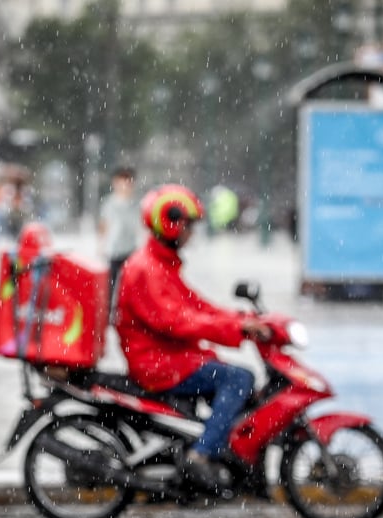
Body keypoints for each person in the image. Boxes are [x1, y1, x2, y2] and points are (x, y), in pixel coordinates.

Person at [114, 183, 271, 491]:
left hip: (170, 357)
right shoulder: (147, 268)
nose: (192, 233)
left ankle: (215, 449)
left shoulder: (160, 264)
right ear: (171, 223)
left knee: (235, 380)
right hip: (159, 363)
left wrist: (242, 319)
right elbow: (177, 321)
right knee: (238, 379)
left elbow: (197, 306)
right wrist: (236, 328)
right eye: (189, 225)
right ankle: (201, 455)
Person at [97, 165, 140, 302]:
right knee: (111, 285)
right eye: (123, 180)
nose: (126, 185)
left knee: (131, 286)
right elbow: (104, 225)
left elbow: (141, 227)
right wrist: (101, 244)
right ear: (115, 183)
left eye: (129, 181)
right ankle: (108, 313)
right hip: (114, 251)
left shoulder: (136, 204)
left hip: (132, 251)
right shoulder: (109, 204)